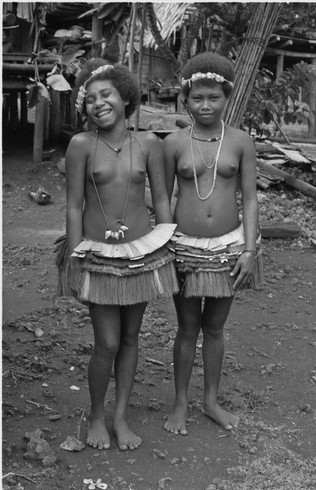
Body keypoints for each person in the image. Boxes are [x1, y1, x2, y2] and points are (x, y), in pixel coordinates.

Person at [58, 59, 178, 451]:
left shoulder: (148, 144)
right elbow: (74, 206)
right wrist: (75, 259)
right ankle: (96, 414)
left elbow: (161, 197)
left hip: (141, 253)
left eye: (106, 94)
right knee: (106, 342)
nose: (98, 103)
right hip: (98, 255)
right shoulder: (81, 145)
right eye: (90, 98)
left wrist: (165, 245)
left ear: (126, 97)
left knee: (130, 337)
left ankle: (121, 415)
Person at [163, 52, 263, 435]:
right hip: (184, 248)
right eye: (197, 98)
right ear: (185, 98)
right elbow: (164, 197)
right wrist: (166, 247)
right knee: (187, 327)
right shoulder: (173, 143)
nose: (205, 106)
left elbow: (250, 197)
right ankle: (180, 402)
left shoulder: (240, 142)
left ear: (227, 97)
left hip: (229, 249)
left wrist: (250, 249)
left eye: (214, 98)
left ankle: (210, 401)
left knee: (216, 327)